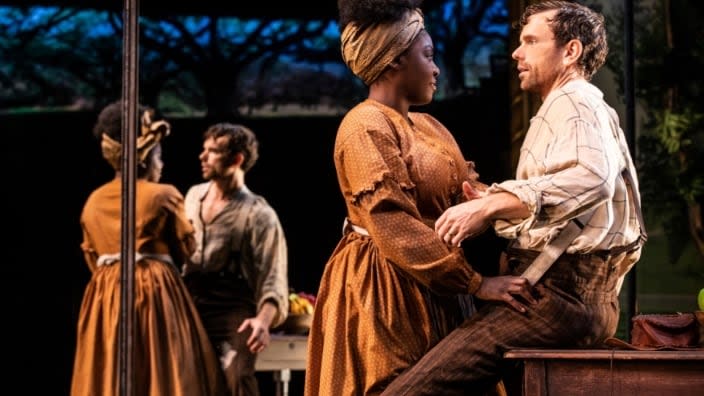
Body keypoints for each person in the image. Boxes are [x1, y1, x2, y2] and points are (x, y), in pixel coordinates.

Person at [380, 1, 647, 394]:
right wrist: (496, 198)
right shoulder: (575, 104)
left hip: (559, 299)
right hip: (570, 296)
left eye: (531, 41)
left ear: (570, 51)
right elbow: (568, 199)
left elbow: (592, 179)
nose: (516, 53)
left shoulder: (573, 101)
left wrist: (490, 205)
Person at [304, 1, 529, 395]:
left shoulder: (428, 125)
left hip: (437, 287)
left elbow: (471, 197)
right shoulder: (364, 125)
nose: (436, 68)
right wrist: (476, 283)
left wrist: (518, 203)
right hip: (386, 289)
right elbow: (393, 224)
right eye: (427, 56)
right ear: (392, 61)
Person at [71, 101, 226, 396]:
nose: (162, 163)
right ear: (145, 157)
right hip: (155, 292)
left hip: (105, 295)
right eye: (159, 154)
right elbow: (186, 248)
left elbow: (92, 257)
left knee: (111, 367)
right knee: (164, 367)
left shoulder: (93, 201)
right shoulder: (163, 195)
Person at [182, 122, 289, 396]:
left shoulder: (259, 214)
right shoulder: (193, 197)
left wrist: (263, 321)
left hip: (232, 310)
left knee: (237, 378)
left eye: (213, 151)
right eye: (204, 150)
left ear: (237, 159)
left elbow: (273, 278)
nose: (202, 157)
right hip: (190, 304)